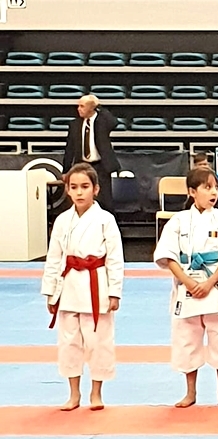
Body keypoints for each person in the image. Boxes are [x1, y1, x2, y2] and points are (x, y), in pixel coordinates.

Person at [153, 167, 218, 408]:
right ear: (192, 192)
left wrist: (209, 283)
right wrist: (189, 282)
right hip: (187, 285)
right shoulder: (178, 221)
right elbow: (168, 255)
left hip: (216, 283)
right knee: (187, 340)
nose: (214, 192)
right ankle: (190, 392)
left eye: (216, 188)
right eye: (207, 187)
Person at [41, 163, 124, 411]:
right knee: (69, 343)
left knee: (98, 342)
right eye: (74, 187)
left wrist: (114, 292)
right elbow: (54, 258)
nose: (79, 192)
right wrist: (50, 292)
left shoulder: (105, 220)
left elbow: (115, 259)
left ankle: (96, 393)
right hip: (68, 286)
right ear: (67, 190)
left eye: (85, 187)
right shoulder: (62, 221)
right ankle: (74, 393)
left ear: (96, 189)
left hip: (96, 283)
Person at [62, 95, 121, 213]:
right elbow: (69, 148)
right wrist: (66, 170)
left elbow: (114, 122)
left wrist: (99, 107)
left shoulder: (102, 121)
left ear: (91, 108)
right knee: (81, 196)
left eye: (82, 106)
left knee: (105, 199)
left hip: (101, 165)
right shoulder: (75, 125)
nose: (78, 109)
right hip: (83, 164)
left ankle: (108, 222)